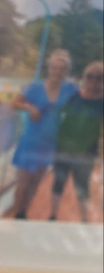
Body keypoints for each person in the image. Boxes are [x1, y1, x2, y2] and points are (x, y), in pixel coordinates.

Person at [9, 49, 77, 219]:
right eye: (54, 68)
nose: (57, 71)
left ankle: (24, 213)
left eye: (62, 69)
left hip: (49, 143)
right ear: (49, 69)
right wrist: (29, 107)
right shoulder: (35, 88)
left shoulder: (69, 89)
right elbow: (15, 104)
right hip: (31, 141)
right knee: (23, 182)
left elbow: (87, 97)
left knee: (36, 182)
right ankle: (17, 213)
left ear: (67, 72)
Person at [50, 61, 104, 222]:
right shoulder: (72, 95)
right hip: (63, 148)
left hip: (86, 152)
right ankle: (52, 217)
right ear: (85, 77)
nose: (93, 81)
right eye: (90, 76)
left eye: (98, 78)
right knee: (58, 183)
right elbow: (54, 112)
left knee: (82, 187)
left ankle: (84, 221)